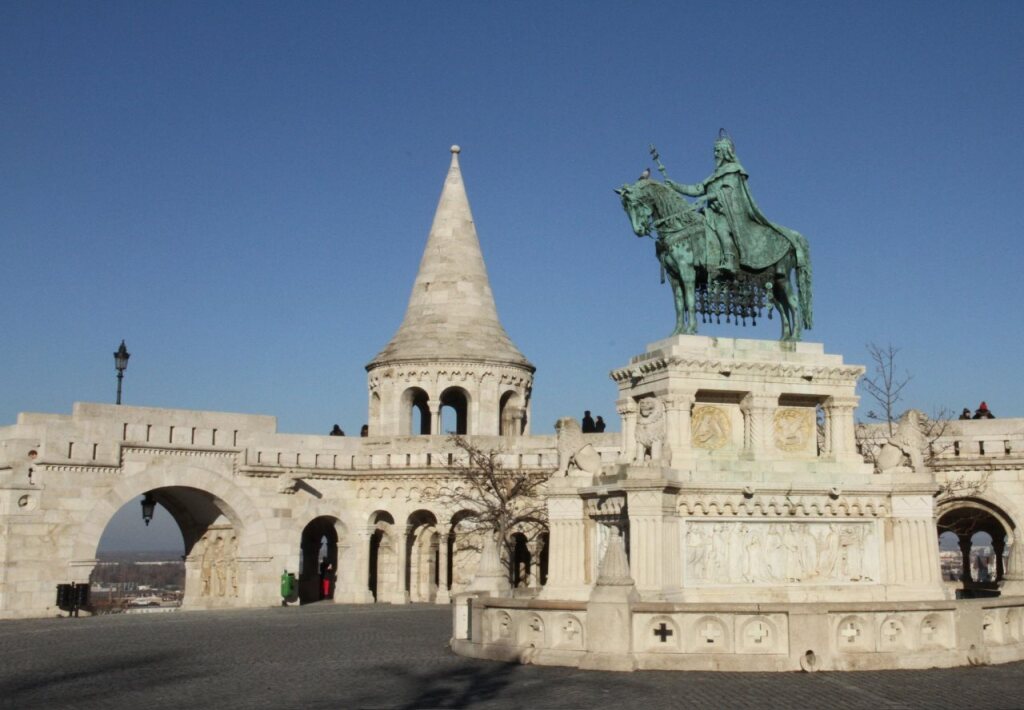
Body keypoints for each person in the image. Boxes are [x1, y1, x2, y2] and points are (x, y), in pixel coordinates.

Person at [664, 131, 806, 279]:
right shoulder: (714, 175)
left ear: (726, 152)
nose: (715, 154)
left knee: (722, 229)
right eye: (714, 151)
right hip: (712, 213)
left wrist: (707, 197)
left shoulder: (733, 170)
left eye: (718, 151)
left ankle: (729, 261)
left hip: (730, 214)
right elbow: (697, 188)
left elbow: (728, 191)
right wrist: (675, 186)